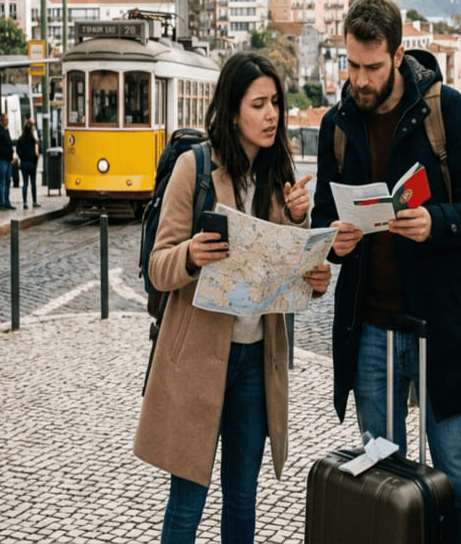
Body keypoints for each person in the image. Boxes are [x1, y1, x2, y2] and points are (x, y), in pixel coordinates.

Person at [134, 51, 331, 544]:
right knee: (187, 502)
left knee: (242, 500)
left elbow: (283, 272)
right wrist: (192, 254)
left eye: (276, 104)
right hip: (198, 361)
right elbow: (158, 268)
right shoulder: (193, 168)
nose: (272, 115)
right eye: (258, 104)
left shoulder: (278, 175)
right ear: (232, 109)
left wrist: (308, 255)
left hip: (254, 363)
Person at [311, 0, 461, 514]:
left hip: (441, 322)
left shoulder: (444, 108)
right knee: (383, 478)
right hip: (368, 325)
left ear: (398, 57)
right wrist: (335, 240)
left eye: (372, 67)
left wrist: (434, 221)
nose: (361, 80)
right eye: (352, 65)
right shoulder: (337, 125)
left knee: (457, 474)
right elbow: (323, 216)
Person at [16, 118, 41, 209]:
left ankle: (25, 202)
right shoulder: (33, 140)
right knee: (33, 183)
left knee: (25, 183)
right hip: (32, 163)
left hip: (23, 163)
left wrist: (22, 157)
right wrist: (35, 160)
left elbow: (17, 150)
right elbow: (36, 152)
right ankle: (34, 201)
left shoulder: (20, 139)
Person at [0, 113, 17, 210]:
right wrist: (9, 155)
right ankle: (1, 203)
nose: (7, 122)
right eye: (5, 120)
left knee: (8, 181)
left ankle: (7, 201)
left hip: (8, 160)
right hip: (2, 160)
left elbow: (10, 144)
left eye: (7, 120)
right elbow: (0, 147)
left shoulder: (6, 131)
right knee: (2, 182)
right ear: (1, 121)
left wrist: (12, 156)